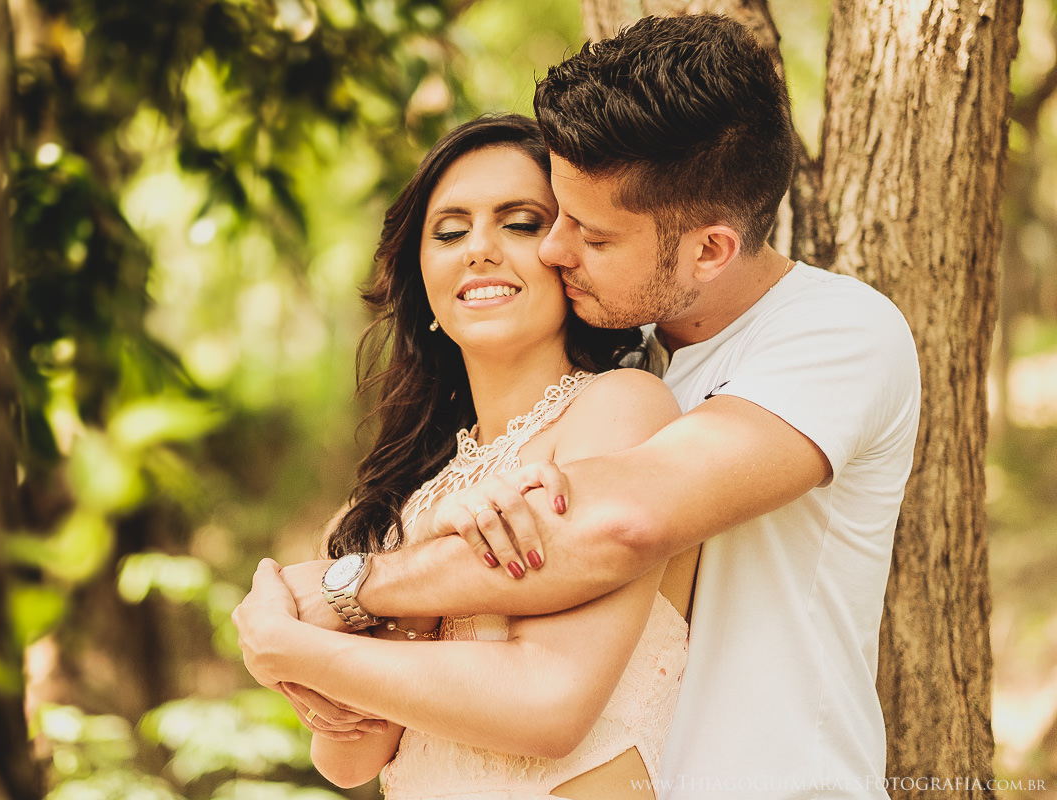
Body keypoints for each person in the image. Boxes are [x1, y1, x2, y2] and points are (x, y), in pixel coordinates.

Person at [237, 14, 922, 799]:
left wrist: (336, 595)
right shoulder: (651, 356)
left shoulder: (833, 333)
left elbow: (609, 528)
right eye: (554, 218)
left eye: (586, 235)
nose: (556, 251)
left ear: (709, 251)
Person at [234, 114, 696, 797]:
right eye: (450, 231)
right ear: (422, 281)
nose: (479, 249)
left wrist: (291, 646)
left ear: (571, 254)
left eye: (519, 222)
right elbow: (350, 762)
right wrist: (409, 588)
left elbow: (550, 709)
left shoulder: (622, 409)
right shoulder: (403, 499)